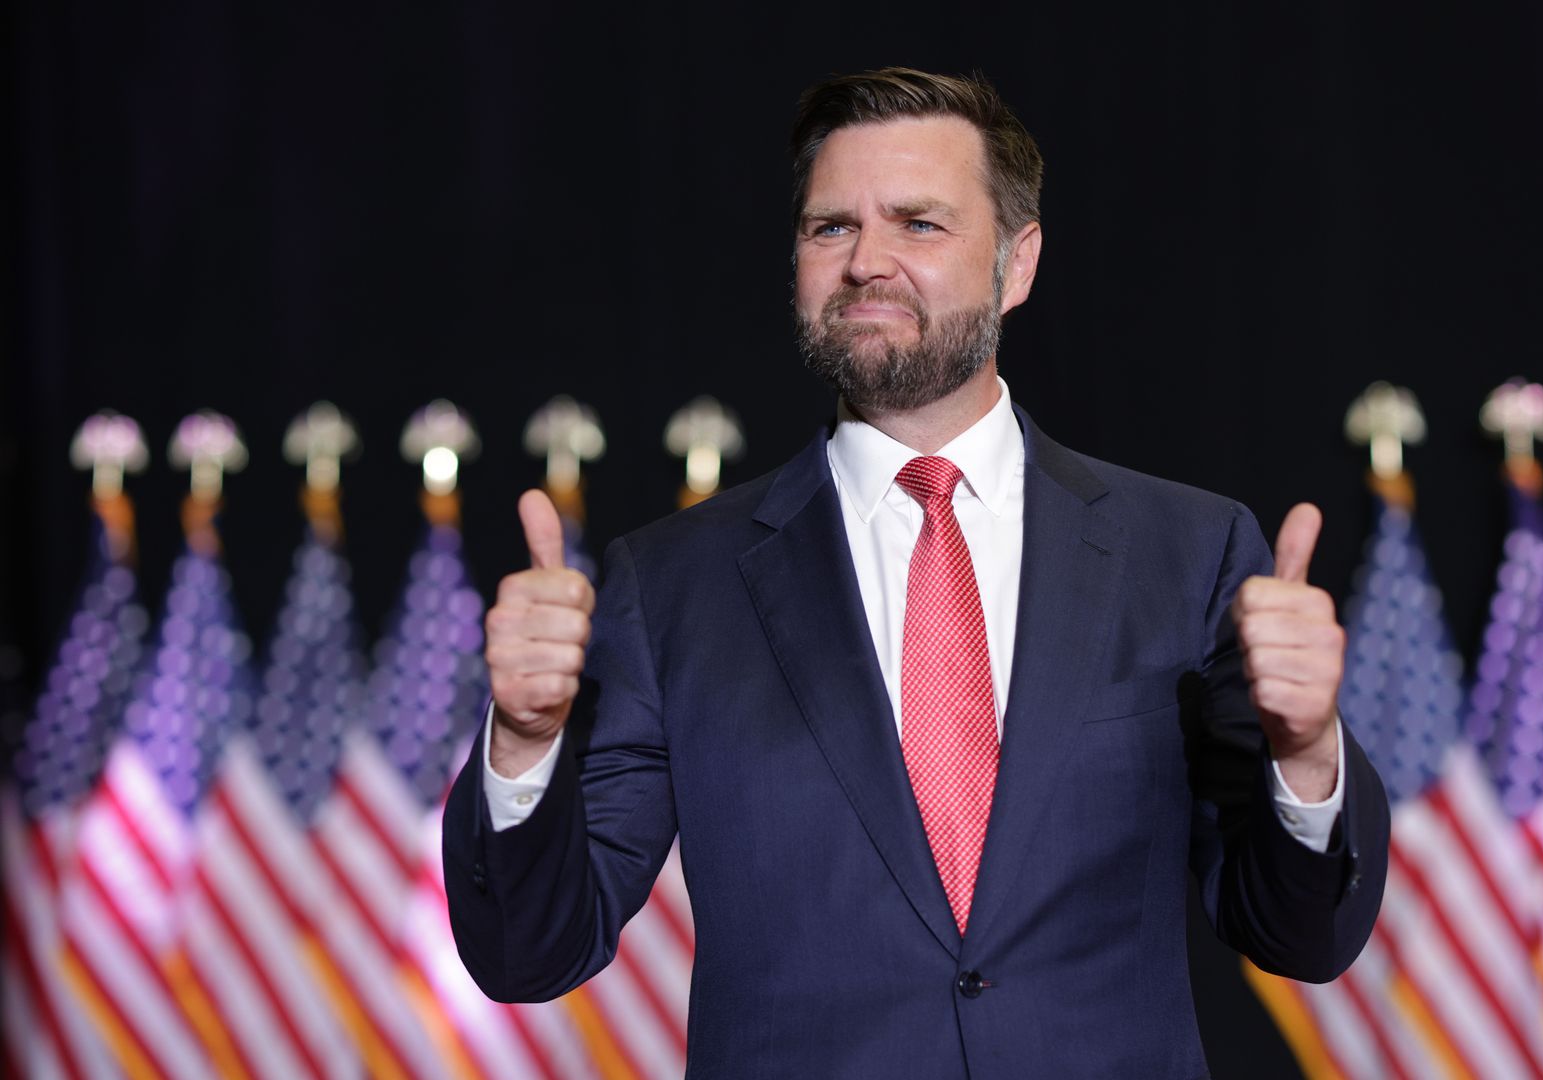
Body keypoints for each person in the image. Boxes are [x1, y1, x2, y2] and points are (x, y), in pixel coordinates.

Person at [445, 67, 1388, 1078]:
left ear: (1015, 264)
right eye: (830, 228)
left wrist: (1304, 754)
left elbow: (1302, 937)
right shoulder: (671, 584)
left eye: (920, 225)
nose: (867, 264)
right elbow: (529, 953)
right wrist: (525, 742)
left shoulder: (1189, 554)